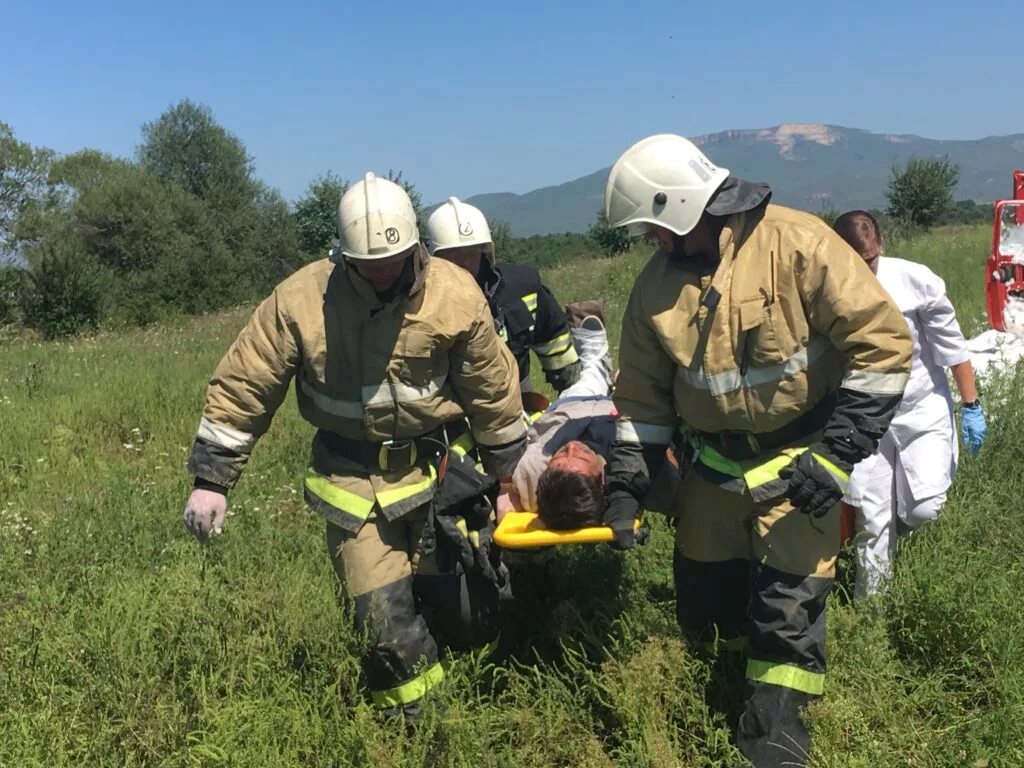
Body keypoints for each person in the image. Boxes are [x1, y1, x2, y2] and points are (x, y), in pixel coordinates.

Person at [601, 134, 913, 767]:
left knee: (786, 620)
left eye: (655, 226)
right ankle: (716, 708)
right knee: (708, 614)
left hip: (801, 468)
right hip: (710, 474)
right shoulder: (653, 289)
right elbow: (639, 399)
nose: (652, 241)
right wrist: (626, 485)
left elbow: (883, 346)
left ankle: (774, 749)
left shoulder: (798, 244)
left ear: (684, 205)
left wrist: (837, 454)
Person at [181, 172, 527, 717]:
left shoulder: (454, 294)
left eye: (395, 260)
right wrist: (211, 481)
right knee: (385, 625)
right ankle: (425, 736)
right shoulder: (301, 300)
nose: (384, 274)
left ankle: (478, 693)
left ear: (417, 246)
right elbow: (247, 383)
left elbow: (494, 393)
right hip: (354, 484)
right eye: (367, 264)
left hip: (442, 475)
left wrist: (510, 482)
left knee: (463, 616)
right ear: (342, 255)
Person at [833, 210, 987, 598]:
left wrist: (971, 405)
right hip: (862, 413)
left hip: (920, 406)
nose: (865, 269)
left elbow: (952, 346)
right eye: (856, 261)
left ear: (879, 246)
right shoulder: (826, 288)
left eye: (870, 259)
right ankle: (872, 614)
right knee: (871, 514)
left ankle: (896, 525)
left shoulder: (914, 281)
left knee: (922, 507)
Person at [426, 197, 581, 393]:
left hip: (518, 404)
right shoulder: (420, 307)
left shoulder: (522, 289)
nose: (464, 262)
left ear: (485, 252)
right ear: (434, 260)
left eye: (471, 252)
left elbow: (560, 354)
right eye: (453, 254)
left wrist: (576, 399)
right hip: (454, 410)